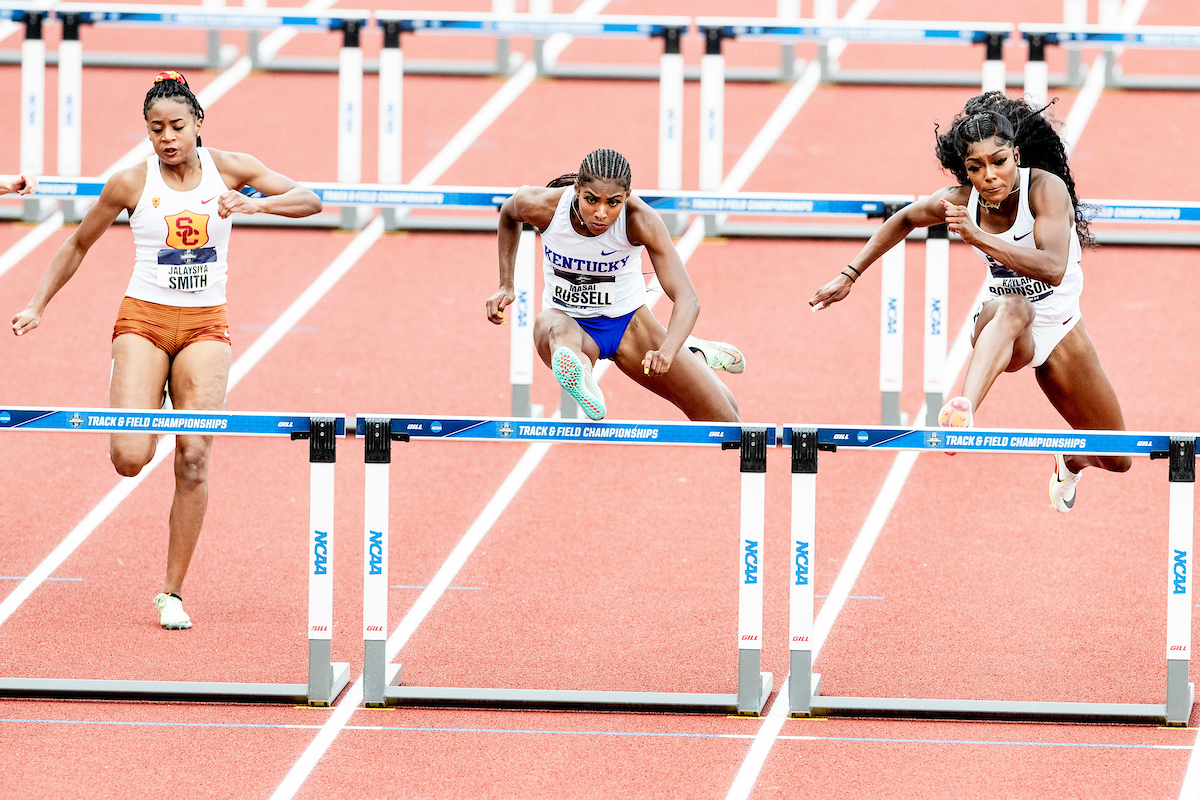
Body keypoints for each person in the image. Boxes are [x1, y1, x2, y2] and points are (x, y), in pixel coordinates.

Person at [10, 71, 322, 628]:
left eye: (178, 126)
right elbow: (78, 244)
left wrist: (256, 207)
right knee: (129, 459)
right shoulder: (131, 182)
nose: (168, 138)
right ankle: (139, 396)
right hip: (143, 319)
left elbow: (310, 199)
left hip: (206, 324)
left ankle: (171, 593)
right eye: (157, 130)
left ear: (198, 124)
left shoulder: (232, 169)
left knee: (195, 459)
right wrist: (37, 304)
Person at [808, 92, 1130, 513]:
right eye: (976, 168)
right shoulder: (962, 200)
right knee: (1016, 306)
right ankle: (962, 415)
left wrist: (979, 238)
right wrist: (850, 273)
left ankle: (1070, 460)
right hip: (1004, 328)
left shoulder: (1046, 190)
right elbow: (905, 217)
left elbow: (1052, 267)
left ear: (1016, 155)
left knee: (1119, 458)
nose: (990, 176)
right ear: (965, 171)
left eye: (999, 162)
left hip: (1063, 330)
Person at [486, 148, 744, 423]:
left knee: (727, 422)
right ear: (576, 189)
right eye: (591, 200)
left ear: (627, 197)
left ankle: (693, 354)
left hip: (628, 325)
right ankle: (583, 376)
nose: (601, 213)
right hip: (564, 323)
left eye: (613, 203)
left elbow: (687, 298)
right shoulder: (542, 205)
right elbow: (508, 215)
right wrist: (506, 285)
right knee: (556, 331)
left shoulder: (641, 220)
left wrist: (667, 352)